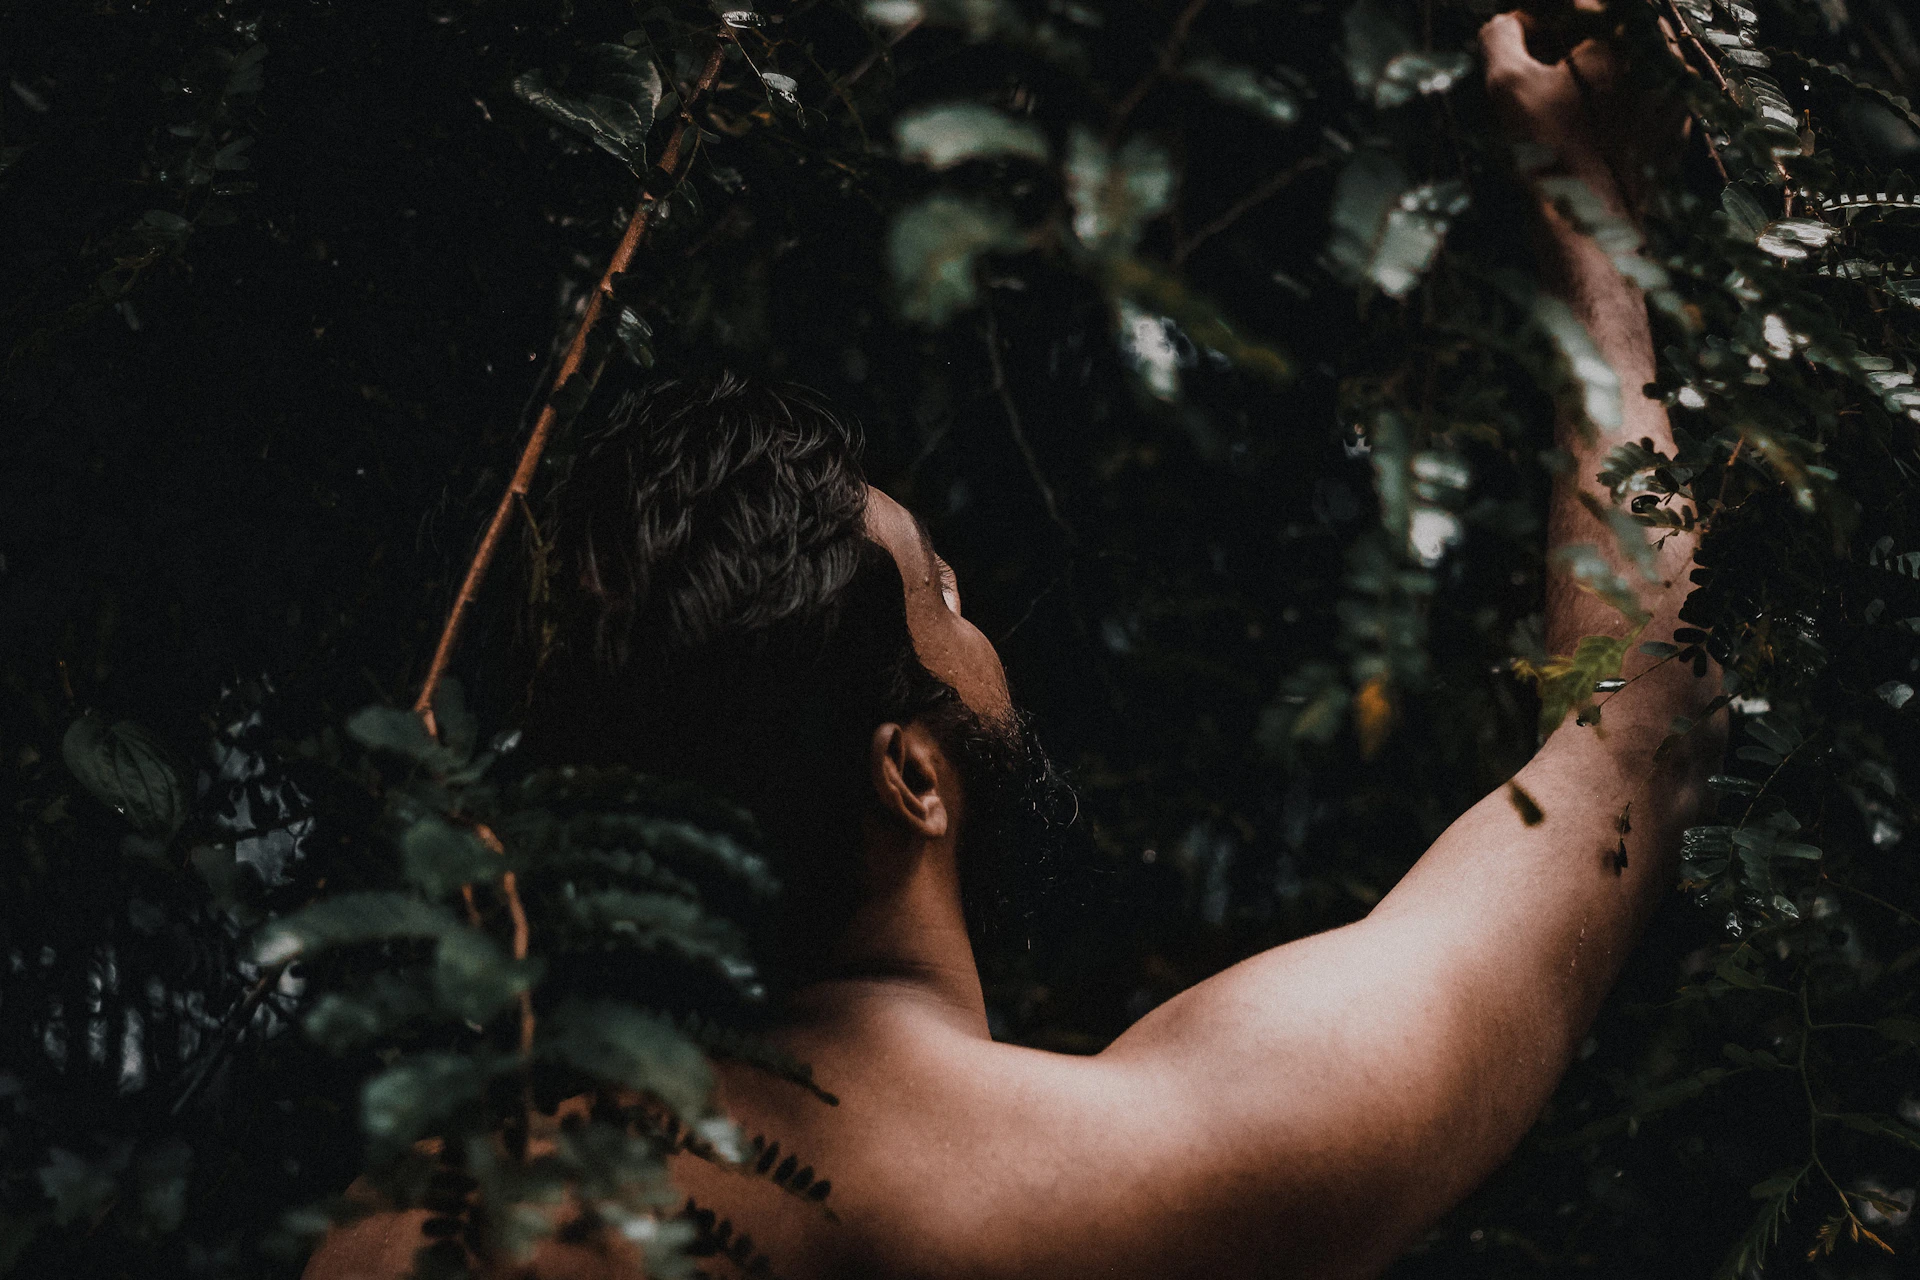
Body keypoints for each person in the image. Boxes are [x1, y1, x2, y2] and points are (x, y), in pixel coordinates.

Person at [306, 13, 1724, 1279]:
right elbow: (1631, 751)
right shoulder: (1094, 1187)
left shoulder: (401, 1231)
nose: (984, 626)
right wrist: (1590, 230)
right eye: (949, 596)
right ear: (910, 774)